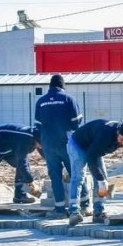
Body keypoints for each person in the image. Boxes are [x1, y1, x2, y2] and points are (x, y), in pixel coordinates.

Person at [66, 119, 123, 226]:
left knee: (103, 177)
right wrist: (100, 180)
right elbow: (91, 158)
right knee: (78, 177)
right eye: (121, 139)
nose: (122, 143)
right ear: (118, 132)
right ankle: (73, 212)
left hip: (94, 147)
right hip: (78, 144)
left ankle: (98, 212)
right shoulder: (105, 134)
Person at [34, 74, 89, 218]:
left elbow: (37, 126)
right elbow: (77, 122)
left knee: (55, 176)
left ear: (50, 86)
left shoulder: (41, 101)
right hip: (66, 143)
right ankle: (84, 204)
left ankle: (59, 208)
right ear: (63, 86)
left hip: (48, 144)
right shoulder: (68, 99)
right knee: (75, 174)